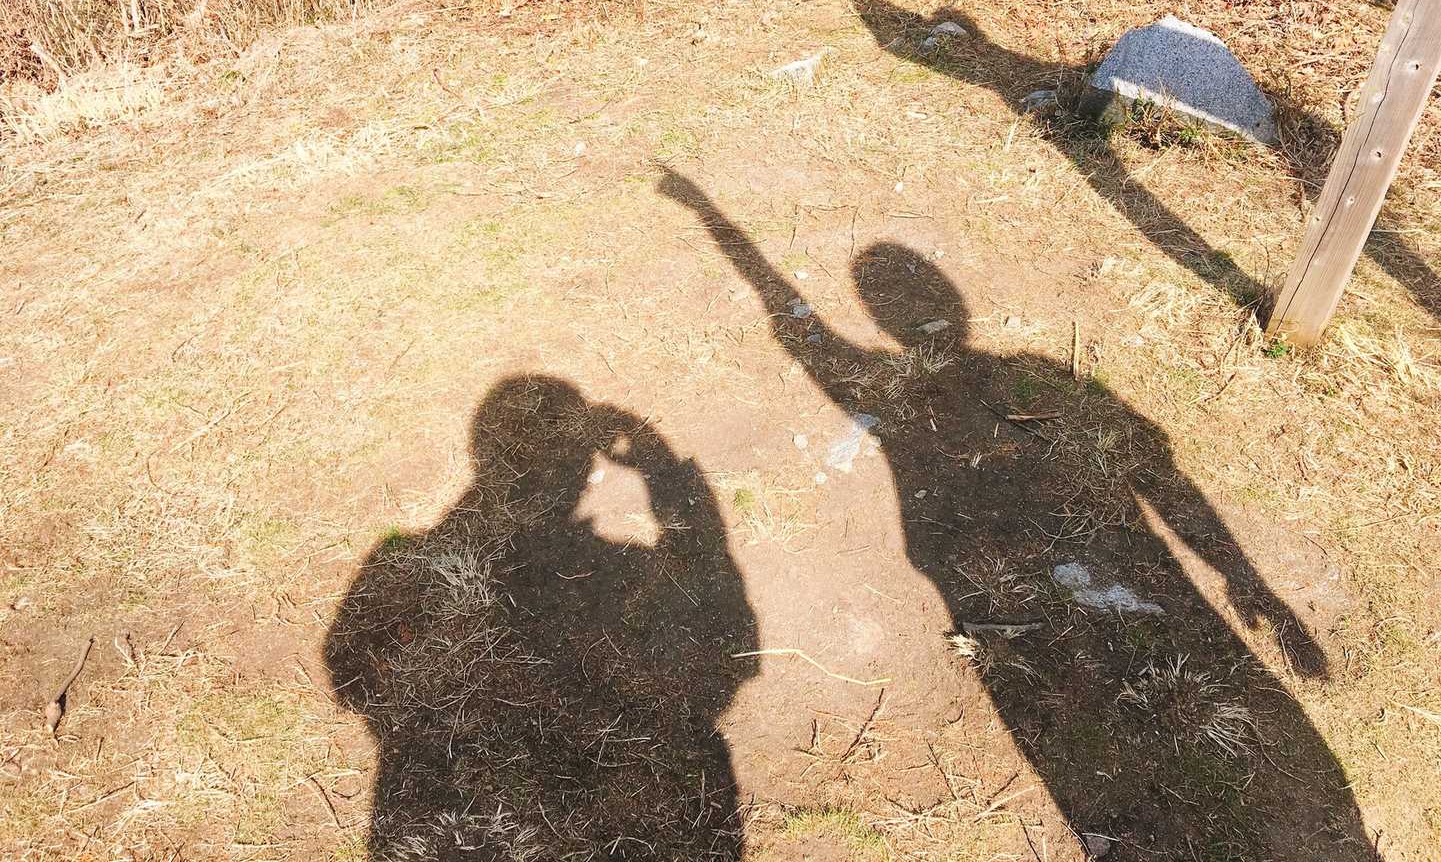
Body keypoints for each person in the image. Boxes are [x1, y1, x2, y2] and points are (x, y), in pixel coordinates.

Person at [659, 170, 1374, 860]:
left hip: (989, 575)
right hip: (996, 580)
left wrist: (1248, 581)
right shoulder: (1041, 373)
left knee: (1079, 730)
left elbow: (1164, 479)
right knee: (1064, 730)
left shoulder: (1035, 374)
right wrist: (1248, 582)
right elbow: (1164, 478)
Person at [325, 375, 758, 860]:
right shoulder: (619, 577)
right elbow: (725, 664)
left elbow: (350, 679)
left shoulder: (408, 565)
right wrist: (670, 480)